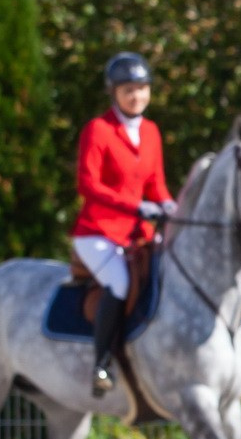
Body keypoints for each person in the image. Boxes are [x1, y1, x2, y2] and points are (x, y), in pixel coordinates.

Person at [71, 52, 175, 396]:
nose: (137, 97)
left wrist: (170, 205)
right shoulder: (98, 130)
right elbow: (89, 185)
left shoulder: (152, 131)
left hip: (138, 233)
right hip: (98, 232)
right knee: (118, 281)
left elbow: (156, 183)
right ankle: (101, 364)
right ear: (114, 92)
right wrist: (136, 206)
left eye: (143, 89)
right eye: (129, 90)